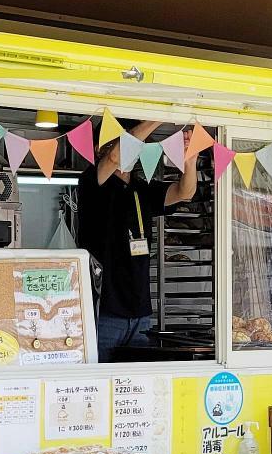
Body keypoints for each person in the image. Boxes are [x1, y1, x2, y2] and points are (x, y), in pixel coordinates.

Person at [73, 120, 198, 353]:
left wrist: (189, 160)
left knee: (134, 387)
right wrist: (158, 115)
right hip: (103, 310)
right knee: (101, 382)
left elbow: (185, 192)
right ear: (102, 147)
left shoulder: (142, 188)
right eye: (122, 141)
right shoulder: (92, 180)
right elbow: (114, 158)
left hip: (140, 313)